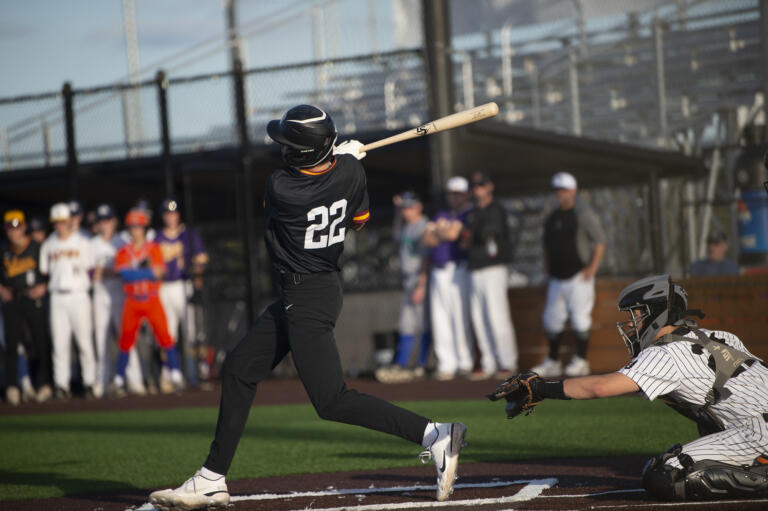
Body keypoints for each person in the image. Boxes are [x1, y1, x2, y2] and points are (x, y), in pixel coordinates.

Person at [149, 105, 466, 510]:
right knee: (241, 368)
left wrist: (340, 164)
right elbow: (360, 220)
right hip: (316, 288)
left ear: (299, 154)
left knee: (331, 399)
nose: (280, 150)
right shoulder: (351, 173)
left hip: (307, 296)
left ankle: (434, 434)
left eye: (286, 145)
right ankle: (212, 477)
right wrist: (345, 164)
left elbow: (317, 189)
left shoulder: (281, 186)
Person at [488, 274, 768, 501]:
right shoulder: (718, 335)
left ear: (657, 313)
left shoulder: (664, 353)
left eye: (637, 314)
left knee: (664, 475)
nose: (632, 323)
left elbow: (600, 386)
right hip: (757, 421)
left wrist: (540, 389)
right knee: (708, 420)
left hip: (760, 429)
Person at [531, 172, 605, 378]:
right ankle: (553, 361)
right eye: (557, 190)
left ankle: (581, 360)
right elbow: (546, 247)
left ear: (573, 191)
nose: (560, 194)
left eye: (564, 190)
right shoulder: (552, 217)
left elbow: (599, 241)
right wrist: (546, 270)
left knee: (580, 318)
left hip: (578, 276)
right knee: (552, 319)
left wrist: (592, 268)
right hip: (556, 277)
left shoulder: (583, 214)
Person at [111, 208, 183, 396]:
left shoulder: (153, 248)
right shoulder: (123, 251)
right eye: (133, 227)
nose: (136, 230)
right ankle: (119, 380)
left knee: (165, 337)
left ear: (144, 228)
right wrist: (148, 273)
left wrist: (141, 273)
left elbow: (161, 271)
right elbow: (125, 275)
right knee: (126, 339)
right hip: (132, 300)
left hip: (151, 299)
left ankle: (175, 376)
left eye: (139, 226)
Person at [39, 203, 97, 399]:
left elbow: (91, 268)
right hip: (57, 296)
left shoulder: (83, 242)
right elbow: (44, 271)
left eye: (63, 221)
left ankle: (90, 382)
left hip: (79, 294)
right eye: (56, 223)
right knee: (60, 343)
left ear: (70, 220)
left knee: (84, 341)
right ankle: (61, 384)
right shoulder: (49, 244)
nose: (60, 226)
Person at [464, 172, 518, 380]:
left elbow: (489, 233)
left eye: (481, 185)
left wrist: (467, 233)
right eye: (475, 186)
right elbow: (467, 239)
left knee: (497, 316)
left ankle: (507, 362)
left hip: (493, 268)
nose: (478, 189)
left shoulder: (495, 209)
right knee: (479, 318)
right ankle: (488, 362)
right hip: (476, 267)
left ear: (490, 187)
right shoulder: (474, 212)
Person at [375, 191, 431, 383]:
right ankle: (402, 364)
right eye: (404, 208)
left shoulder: (424, 225)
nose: (406, 211)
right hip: (409, 280)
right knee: (407, 323)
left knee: (422, 323)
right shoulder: (407, 226)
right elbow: (396, 235)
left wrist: (422, 284)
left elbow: (427, 257)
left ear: (419, 207)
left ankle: (421, 365)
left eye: (409, 207)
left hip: (420, 279)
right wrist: (398, 211)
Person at [422, 176, 473, 380]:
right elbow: (427, 239)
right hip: (438, 269)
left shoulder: (468, 213)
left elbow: (453, 235)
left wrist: (439, 230)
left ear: (466, 194)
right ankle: (447, 363)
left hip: (458, 268)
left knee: (459, 316)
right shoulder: (442, 213)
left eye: (458, 194)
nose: (454, 197)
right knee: (440, 318)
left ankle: (464, 361)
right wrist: (443, 230)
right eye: (452, 193)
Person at [91, 204, 145, 397]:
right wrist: (111, 271)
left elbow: (129, 269)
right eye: (101, 221)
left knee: (127, 337)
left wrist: (107, 271)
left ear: (114, 221)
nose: (104, 224)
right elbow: (89, 272)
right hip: (100, 295)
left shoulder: (122, 241)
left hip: (121, 294)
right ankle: (101, 383)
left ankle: (135, 381)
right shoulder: (92, 243)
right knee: (100, 340)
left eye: (108, 220)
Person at [155, 197, 209, 386]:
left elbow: (200, 259)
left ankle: (198, 371)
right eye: (167, 214)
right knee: (167, 332)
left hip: (183, 285)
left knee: (192, 331)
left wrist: (197, 277)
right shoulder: (156, 237)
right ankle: (169, 374)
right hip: (163, 287)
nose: (171, 217)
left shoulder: (188, 234)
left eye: (174, 213)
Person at [1, 210, 52, 405]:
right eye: (10, 229)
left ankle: (43, 385)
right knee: (11, 345)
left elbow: (51, 272)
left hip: (33, 299)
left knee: (40, 342)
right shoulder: (4, 249)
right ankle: (13, 386)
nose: (14, 232)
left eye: (17, 227)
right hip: (13, 299)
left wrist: (44, 286)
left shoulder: (37, 248)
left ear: (23, 227)